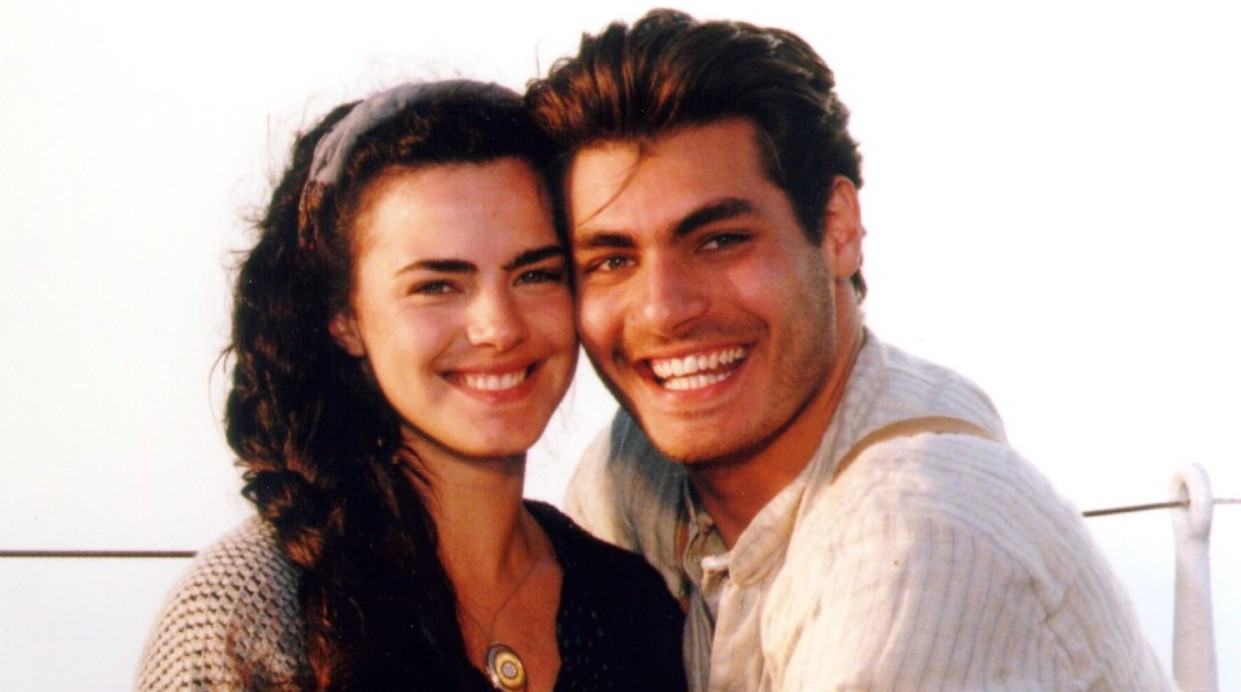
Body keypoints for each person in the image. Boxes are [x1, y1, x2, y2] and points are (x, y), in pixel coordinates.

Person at [527, 10, 1172, 690]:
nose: (663, 309)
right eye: (610, 261)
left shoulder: (916, 541)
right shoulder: (632, 471)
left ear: (837, 228)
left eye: (720, 241)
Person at [137, 80, 686, 690]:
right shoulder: (246, 613)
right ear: (344, 316)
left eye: (535, 274)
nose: (499, 327)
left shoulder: (632, 604)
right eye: (437, 286)